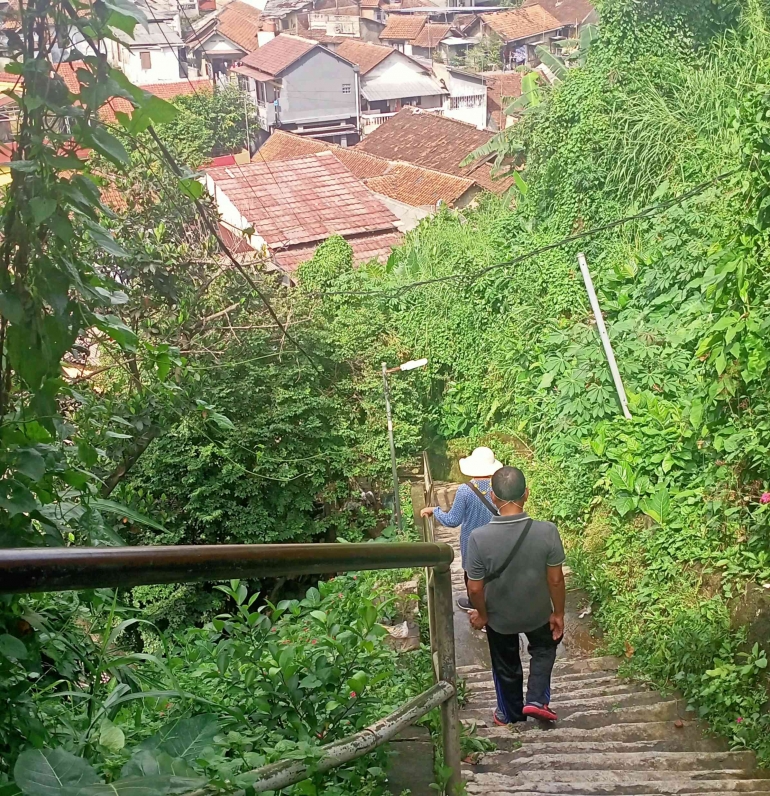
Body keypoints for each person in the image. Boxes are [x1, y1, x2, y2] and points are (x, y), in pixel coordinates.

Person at [465, 466, 566, 725]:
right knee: (544, 648)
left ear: (494, 498)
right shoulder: (547, 531)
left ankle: (509, 715)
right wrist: (558, 613)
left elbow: (474, 588)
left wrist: (483, 615)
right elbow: (555, 579)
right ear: (527, 494)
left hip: (499, 619)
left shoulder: (478, 538)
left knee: (506, 664)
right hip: (537, 613)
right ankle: (535, 700)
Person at [420, 447, 503, 611]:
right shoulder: (499, 488)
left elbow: (452, 520)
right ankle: (493, 605)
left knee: (473, 574)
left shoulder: (465, 490)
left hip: (473, 542)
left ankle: (476, 606)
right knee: (492, 573)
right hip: (496, 539)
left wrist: (434, 510)